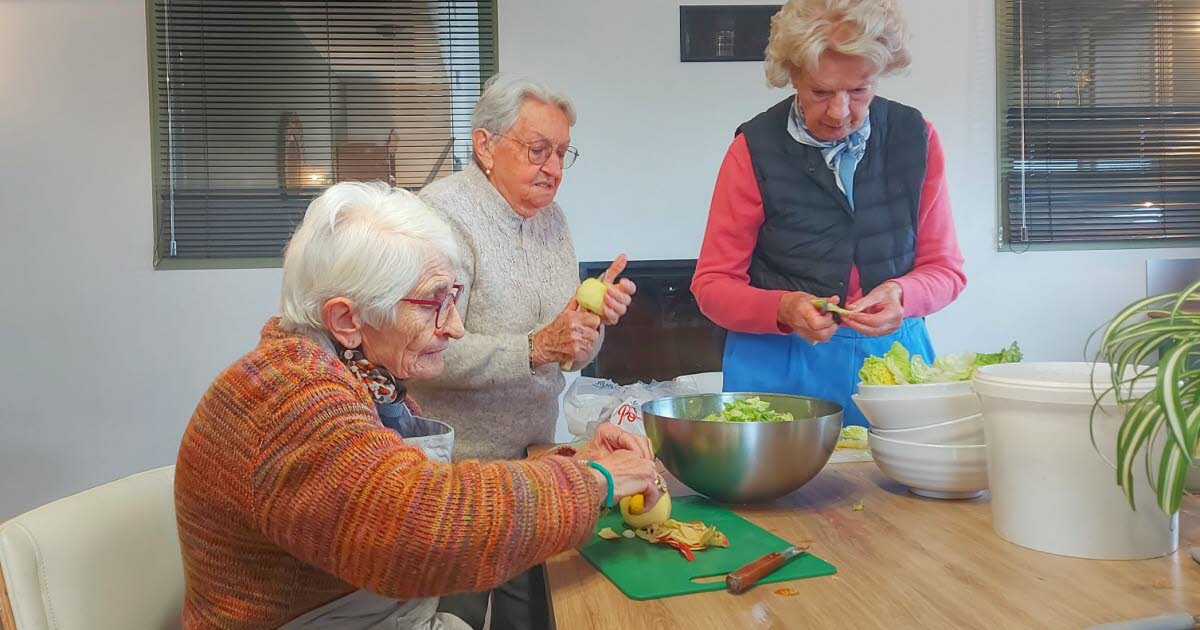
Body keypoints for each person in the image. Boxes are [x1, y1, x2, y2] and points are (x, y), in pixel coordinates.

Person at [174, 181, 662, 629]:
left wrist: (582, 461)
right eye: (434, 303)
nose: (454, 327)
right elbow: (423, 530)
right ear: (347, 319)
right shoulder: (287, 396)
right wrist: (594, 480)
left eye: (454, 298)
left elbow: (426, 487)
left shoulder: (355, 376)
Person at [410, 74, 637, 630]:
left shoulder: (553, 223)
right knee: (452, 614)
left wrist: (591, 326)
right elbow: (424, 353)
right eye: (539, 150)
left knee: (533, 614)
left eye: (562, 153)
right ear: (485, 146)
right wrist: (537, 347)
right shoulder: (439, 217)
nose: (554, 168)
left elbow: (567, 350)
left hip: (533, 457)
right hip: (456, 472)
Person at [691, 0, 967, 427]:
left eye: (859, 90)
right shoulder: (753, 149)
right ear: (793, 76)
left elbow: (946, 269)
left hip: (893, 364)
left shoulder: (918, 138)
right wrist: (783, 307)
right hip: (777, 369)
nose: (839, 112)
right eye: (820, 92)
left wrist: (903, 295)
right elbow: (712, 286)